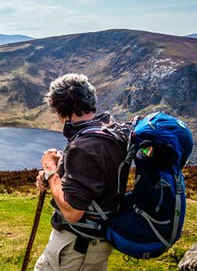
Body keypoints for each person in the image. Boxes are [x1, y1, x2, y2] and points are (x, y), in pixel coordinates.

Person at [34, 74, 128, 271]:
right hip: (93, 245)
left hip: (75, 248)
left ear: (60, 109)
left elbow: (72, 211)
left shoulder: (84, 146)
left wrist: (50, 169)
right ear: (91, 101)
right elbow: (95, 178)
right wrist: (62, 168)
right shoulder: (109, 132)